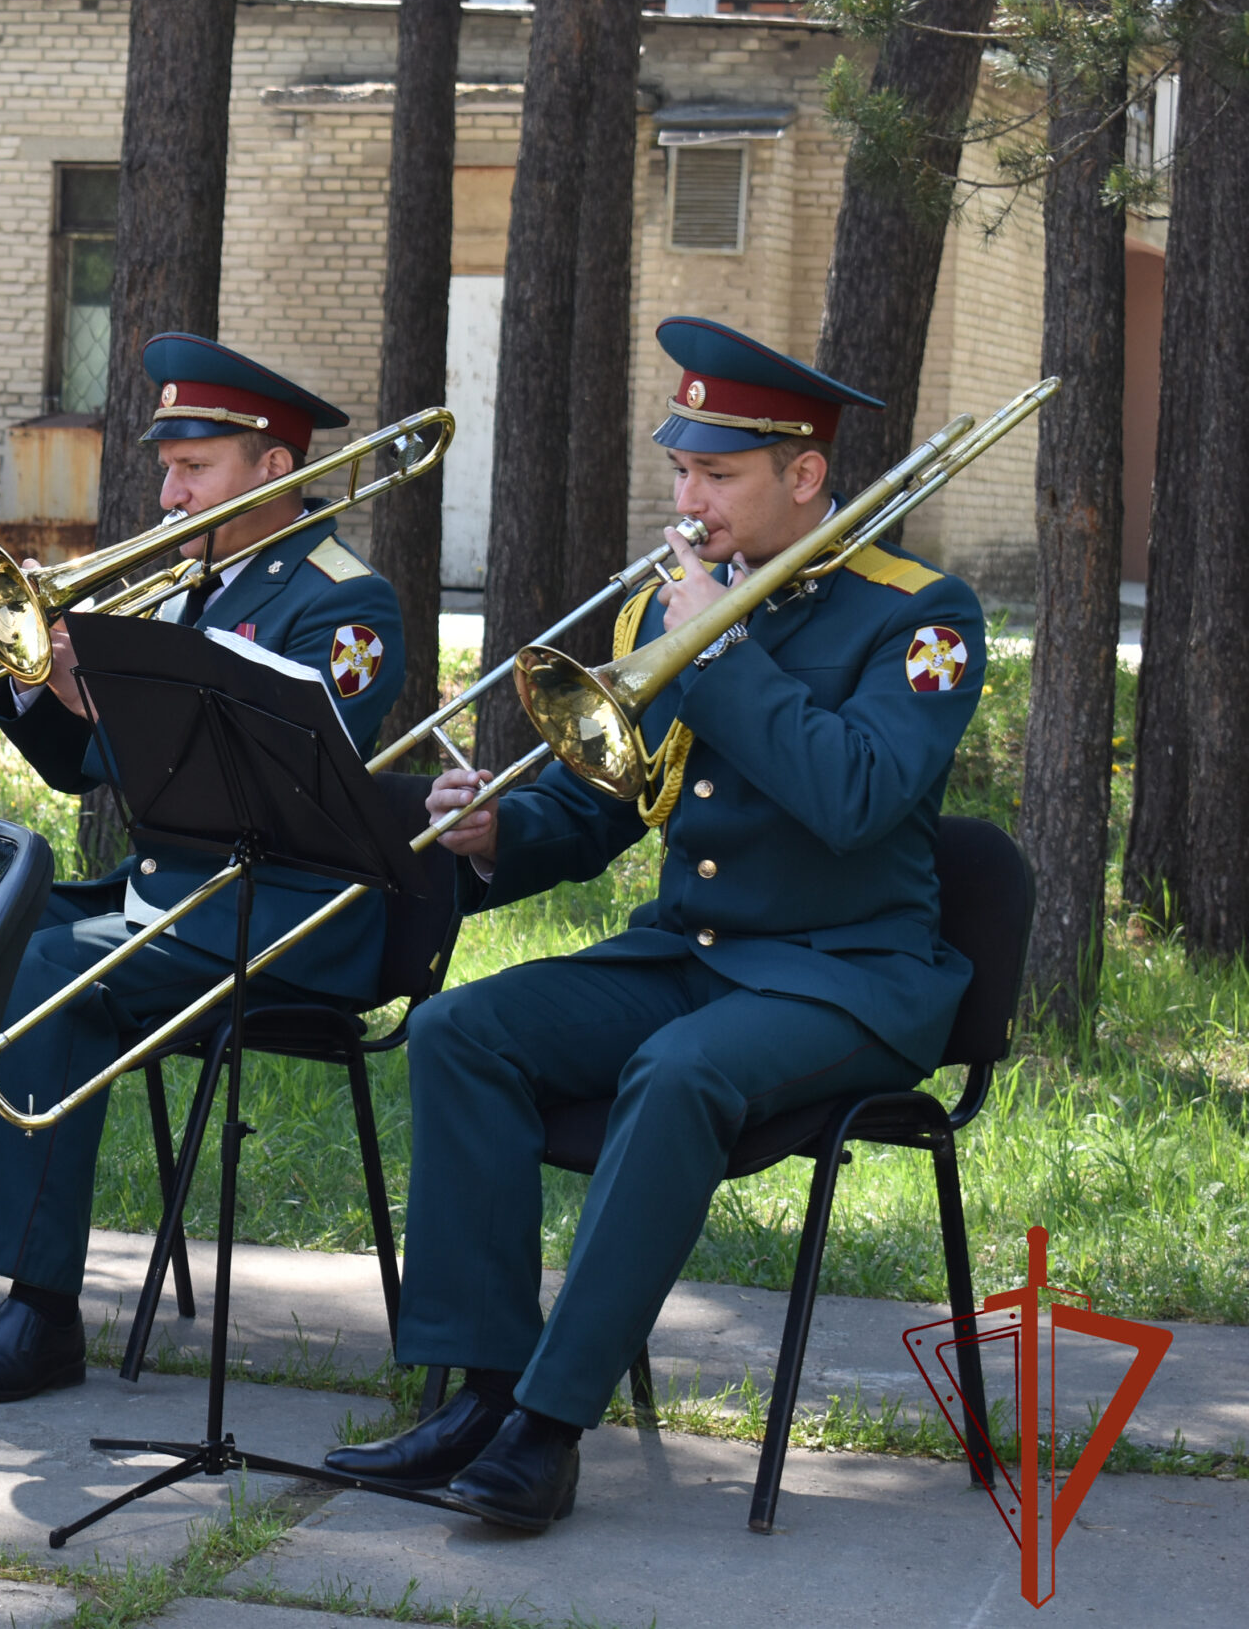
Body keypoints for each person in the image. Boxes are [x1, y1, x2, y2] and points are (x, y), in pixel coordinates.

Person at [320, 317, 987, 1531]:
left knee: (677, 1072)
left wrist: (721, 646)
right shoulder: (675, 613)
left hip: (851, 981)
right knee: (463, 1031)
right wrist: (500, 834)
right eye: (679, 468)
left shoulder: (919, 618)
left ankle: (546, 1426)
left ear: (804, 476)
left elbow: (852, 799)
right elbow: (601, 814)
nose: (688, 498)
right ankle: (476, 1389)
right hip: (693, 956)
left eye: (717, 474)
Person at [0, 334, 405, 1402]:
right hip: (174, 898)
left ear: (272, 468)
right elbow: (87, 773)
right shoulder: (186, 584)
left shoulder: (347, 602)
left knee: (45, 978)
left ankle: (43, 1310)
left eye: (193, 469)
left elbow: (264, 785)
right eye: (167, 466)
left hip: (284, 908)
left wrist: (96, 692)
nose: (166, 492)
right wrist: (38, 684)